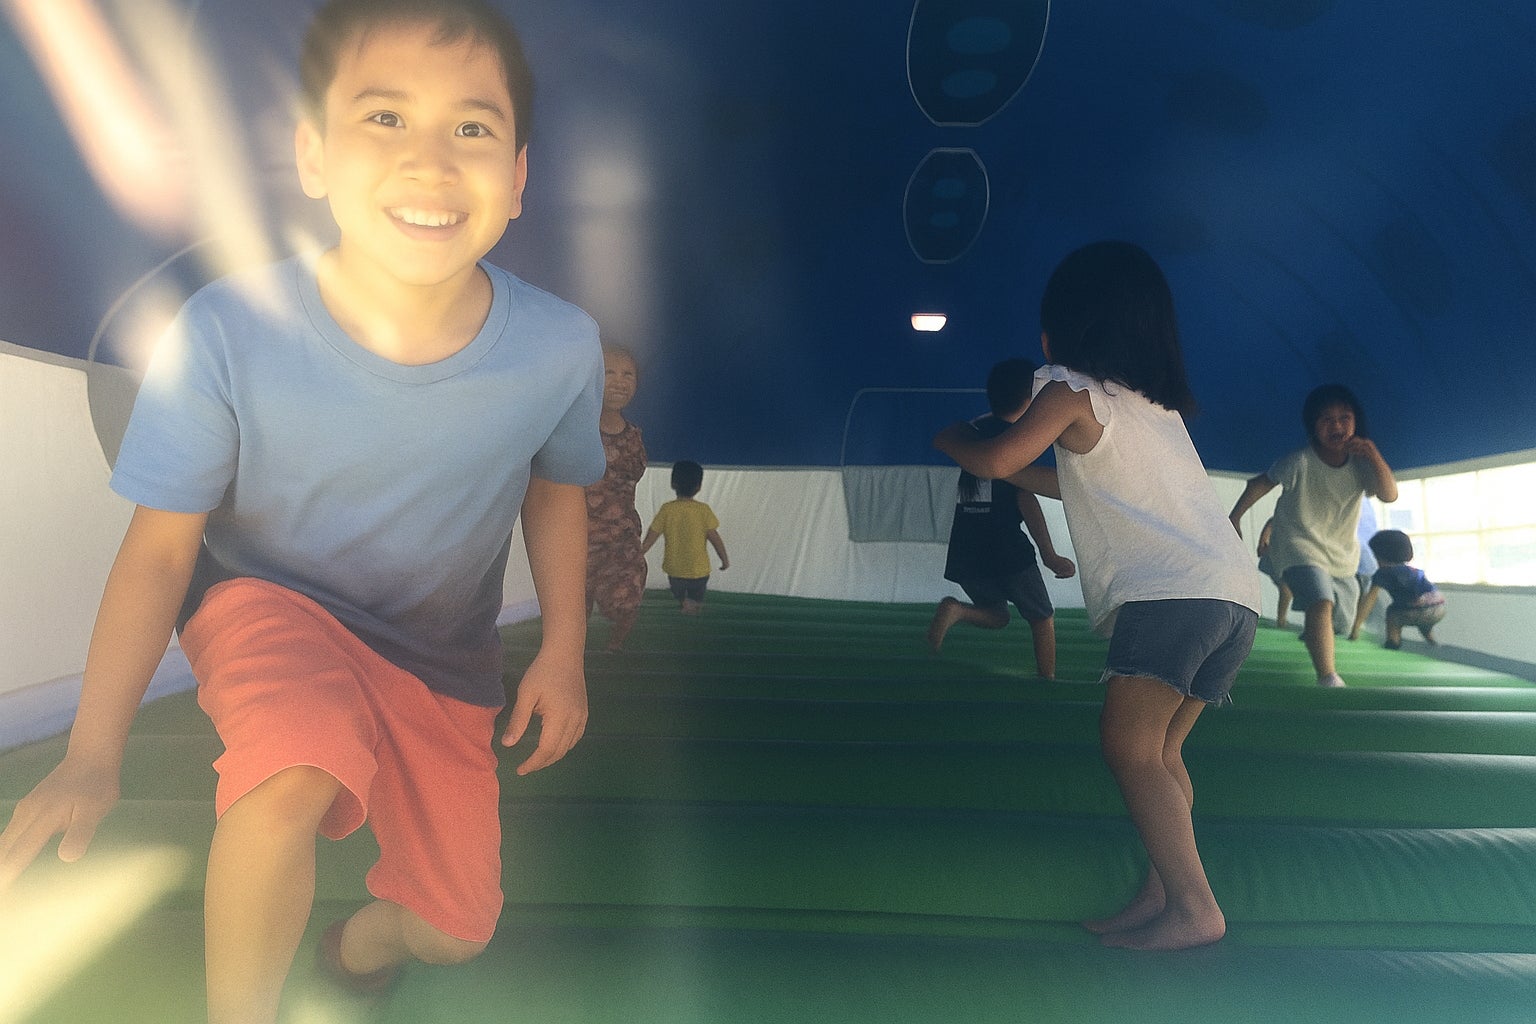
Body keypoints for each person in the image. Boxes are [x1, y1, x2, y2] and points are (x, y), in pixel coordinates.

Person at [0, 2, 606, 1021]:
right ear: (313, 155)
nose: (427, 160)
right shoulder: (226, 330)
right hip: (267, 598)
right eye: (384, 117)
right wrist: (92, 753)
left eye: (470, 127)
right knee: (294, 761)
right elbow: (159, 553)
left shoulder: (559, 346)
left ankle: (356, 943)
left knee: (456, 930)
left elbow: (557, 488)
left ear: (516, 178)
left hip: (442, 657)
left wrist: (564, 649)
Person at [934, 240, 1260, 951]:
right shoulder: (1155, 409)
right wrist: (1010, 471)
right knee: (1163, 755)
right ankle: (1164, 891)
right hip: (1232, 597)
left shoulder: (1068, 390)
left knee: (1129, 747)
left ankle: (1195, 907)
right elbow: (1071, 484)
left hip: (1170, 596)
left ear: (1059, 334)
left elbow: (996, 455)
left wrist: (955, 439)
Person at [1228, 384, 1398, 687]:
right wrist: (1234, 517)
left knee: (1341, 622)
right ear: (1313, 427)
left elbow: (1389, 495)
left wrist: (1373, 454)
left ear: (1356, 422)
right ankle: (1328, 676)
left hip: (1340, 552)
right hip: (1297, 545)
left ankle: (1315, 632)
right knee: (1321, 600)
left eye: (1344, 418)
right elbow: (1259, 484)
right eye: (1326, 419)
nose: (1336, 426)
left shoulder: (1361, 466)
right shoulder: (1300, 461)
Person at [927, 358, 1076, 678]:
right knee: (1042, 616)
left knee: (997, 614)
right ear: (1031, 398)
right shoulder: (1019, 439)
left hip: (966, 546)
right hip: (1006, 547)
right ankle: (1048, 679)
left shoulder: (974, 430)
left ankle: (955, 610)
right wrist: (1049, 555)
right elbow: (1025, 498)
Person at [585, 344, 648, 651]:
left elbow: (634, 475)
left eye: (628, 375)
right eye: (609, 372)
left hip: (621, 535)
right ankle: (573, 651)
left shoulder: (634, 435)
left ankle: (616, 645)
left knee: (628, 595)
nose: (619, 381)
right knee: (575, 601)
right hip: (579, 534)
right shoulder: (578, 429)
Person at [642, 460, 728, 614]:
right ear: (698, 487)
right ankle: (692, 608)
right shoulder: (703, 510)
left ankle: (684, 603)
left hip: (675, 569)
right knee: (696, 598)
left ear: (673, 484)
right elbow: (715, 538)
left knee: (679, 595)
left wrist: (640, 553)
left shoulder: (667, 509)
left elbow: (652, 534)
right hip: (699, 570)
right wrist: (724, 559)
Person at [1349, 529, 1446, 649]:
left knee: (1393, 613)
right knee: (1421, 615)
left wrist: (1356, 626)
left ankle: (1393, 642)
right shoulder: (1412, 570)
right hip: (1439, 607)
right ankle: (1431, 640)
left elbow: (1370, 599)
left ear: (1380, 556)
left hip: (1421, 608)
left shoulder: (1383, 573)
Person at [1255, 517, 1292, 627]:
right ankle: (1281, 620)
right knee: (1286, 589)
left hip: (1287, 559)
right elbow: (1272, 523)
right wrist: (1263, 541)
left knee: (1287, 589)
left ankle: (1282, 619)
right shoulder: (1287, 514)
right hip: (1275, 558)